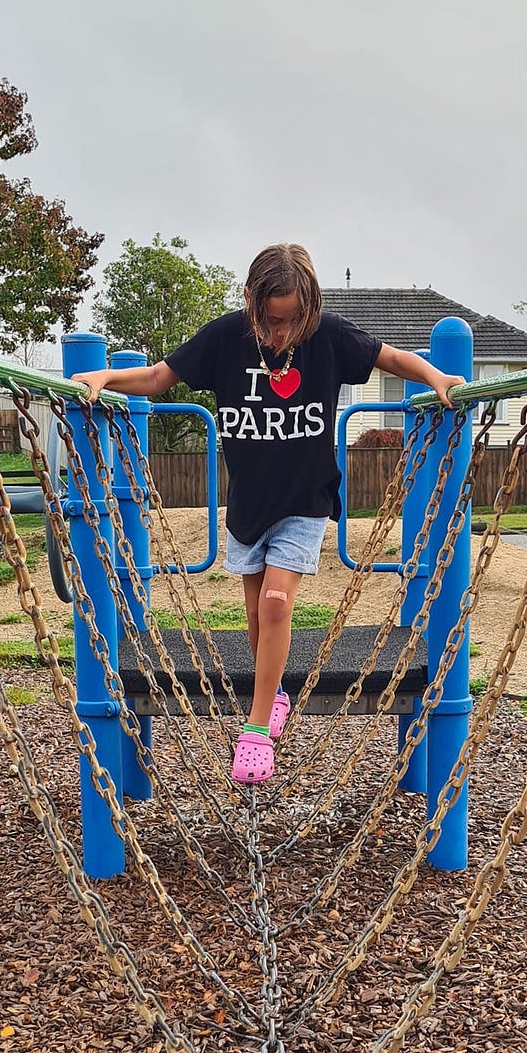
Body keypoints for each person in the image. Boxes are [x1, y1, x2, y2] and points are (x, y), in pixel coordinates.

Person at [73, 243, 463, 785]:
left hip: (304, 500)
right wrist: (106, 380)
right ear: (253, 305)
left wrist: (436, 378)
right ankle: (273, 693)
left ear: (310, 308)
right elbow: (160, 377)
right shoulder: (226, 338)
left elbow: (392, 360)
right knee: (257, 614)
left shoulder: (328, 335)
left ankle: (255, 731)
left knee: (278, 605)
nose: (281, 334)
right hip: (249, 504)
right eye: (272, 321)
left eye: (292, 321)